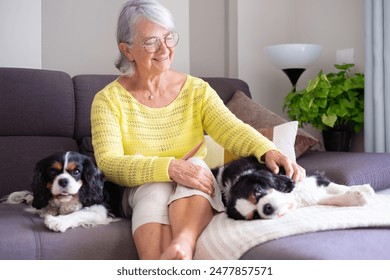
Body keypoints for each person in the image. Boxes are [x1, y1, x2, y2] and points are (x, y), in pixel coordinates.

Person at [91, 0, 305, 260]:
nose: (164, 48)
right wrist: (169, 167)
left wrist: (267, 150)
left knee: (197, 167)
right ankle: (156, 264)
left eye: (168, 38)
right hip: (138, 186)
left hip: (191, 180)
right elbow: (109, 163)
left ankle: (183, 245)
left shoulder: (196, 90)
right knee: (157, 187)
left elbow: (231, 129)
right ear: (127, 50)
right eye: (151, 41)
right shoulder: (108, 100)